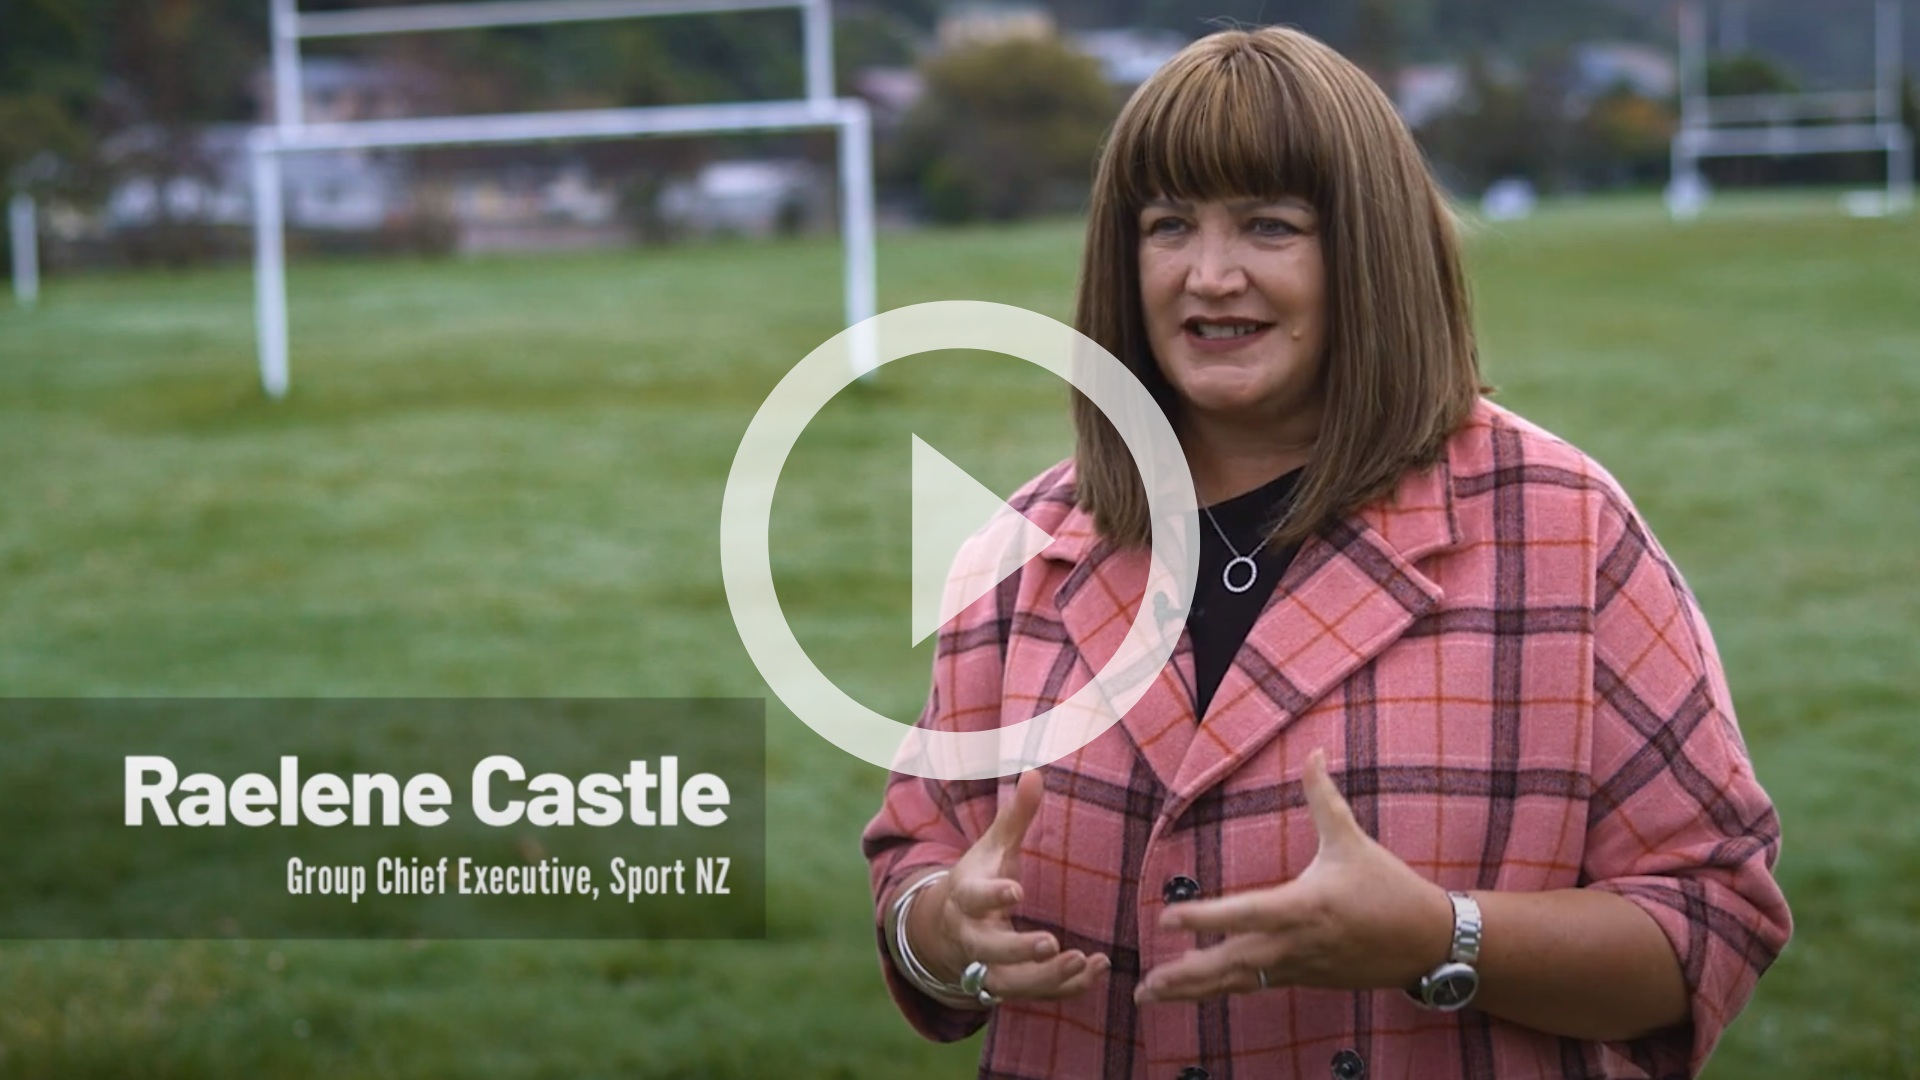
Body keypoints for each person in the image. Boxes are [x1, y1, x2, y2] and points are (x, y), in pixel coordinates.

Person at [862, 25, 1791, 1080]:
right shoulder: (1028, 545)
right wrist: (942, 933)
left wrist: (1441, 938)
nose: (1211, 275)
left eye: (1270, 226)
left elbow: (1713, 920)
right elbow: (916, 860)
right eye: (1170, 226)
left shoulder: (1562, 530)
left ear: (1370, 251)